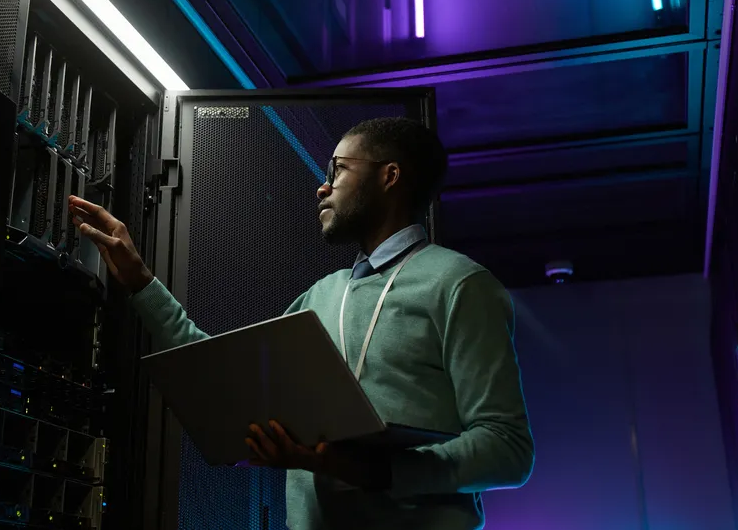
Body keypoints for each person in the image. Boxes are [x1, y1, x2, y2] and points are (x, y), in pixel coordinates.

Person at [68, 117, 533, 529]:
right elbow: (227, 376)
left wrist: (369, 470)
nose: (322, 186)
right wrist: (141, 282)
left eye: (338, 169)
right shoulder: (323, 295)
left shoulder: (460, 284)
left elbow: (507, 450)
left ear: (390, 176)